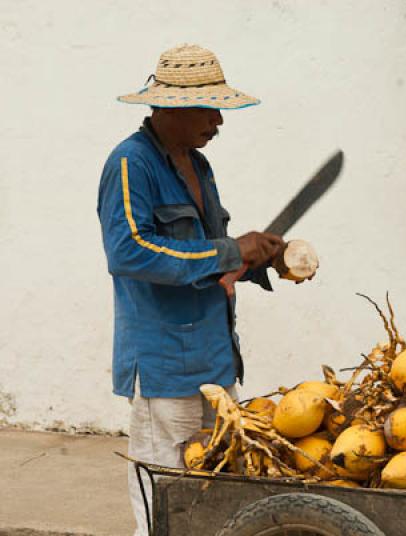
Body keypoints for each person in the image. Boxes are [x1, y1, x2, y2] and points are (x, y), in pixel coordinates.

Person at [97, 44, 281, 535]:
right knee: (168, 504)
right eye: (210, 110)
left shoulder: (198, 166)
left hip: (215, 357)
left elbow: (206, 257)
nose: (218, 123)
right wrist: (228, 251)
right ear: (173, 108)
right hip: (165, 363)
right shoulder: (129, 165)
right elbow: (130, 252)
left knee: (218, 489)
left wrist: (257, 260)